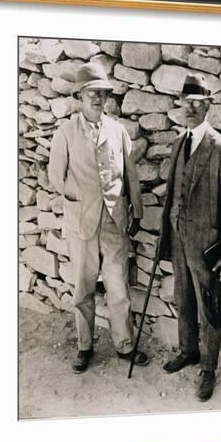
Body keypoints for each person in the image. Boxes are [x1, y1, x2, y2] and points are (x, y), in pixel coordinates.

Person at [49, 62, 149, 374]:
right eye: (91, 93)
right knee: (84, 289)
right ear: (79, 96)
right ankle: (85, 346)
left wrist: (135, 208)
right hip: (82, 224)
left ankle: (124, 345)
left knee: (119, 288)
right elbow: (56, 177)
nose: (97, 98)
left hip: (115, 222)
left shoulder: (117, 131)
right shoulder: (65, 134)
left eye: (102, 93)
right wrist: (79, 198)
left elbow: (130, 173)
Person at [158, 73, 221, 401]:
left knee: (209, 306)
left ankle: (208, 368)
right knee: (183, 298)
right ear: (179, 104)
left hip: (206, 244)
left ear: (208, 106)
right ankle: (188, 350)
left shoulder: (220, 147)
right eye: (185, 101)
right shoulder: (180, 141)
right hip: (178, 238)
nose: (190, 107)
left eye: (197, 103)